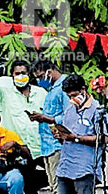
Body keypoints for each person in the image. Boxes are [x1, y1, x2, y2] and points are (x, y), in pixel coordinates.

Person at [0, 60, 48, 158]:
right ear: (12, 75)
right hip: (18, 150)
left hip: (42, 149)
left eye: (23, 73)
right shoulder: (4, 94)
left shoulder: (41, 93)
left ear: (29, 74)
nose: (20, 76)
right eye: (17, 73)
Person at [54, 74, 106, 194]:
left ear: (83, 89)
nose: (72, 99)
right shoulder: (69, 109)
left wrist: (76, 138)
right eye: (69, 96)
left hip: (84, 168)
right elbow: (67, 135)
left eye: (74, 95)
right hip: (65, 167)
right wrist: (60, 136)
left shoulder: (97, 109)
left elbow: (103, 139)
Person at [29, 57, 68, 192]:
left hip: (58, 145)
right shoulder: (51, 90)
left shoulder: (65, 87)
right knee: (53, 186)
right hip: (47, 146)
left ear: (49, 72)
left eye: (41, 77)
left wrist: (48, 119)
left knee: (59, 187)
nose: (40, 81)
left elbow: (69, 116)